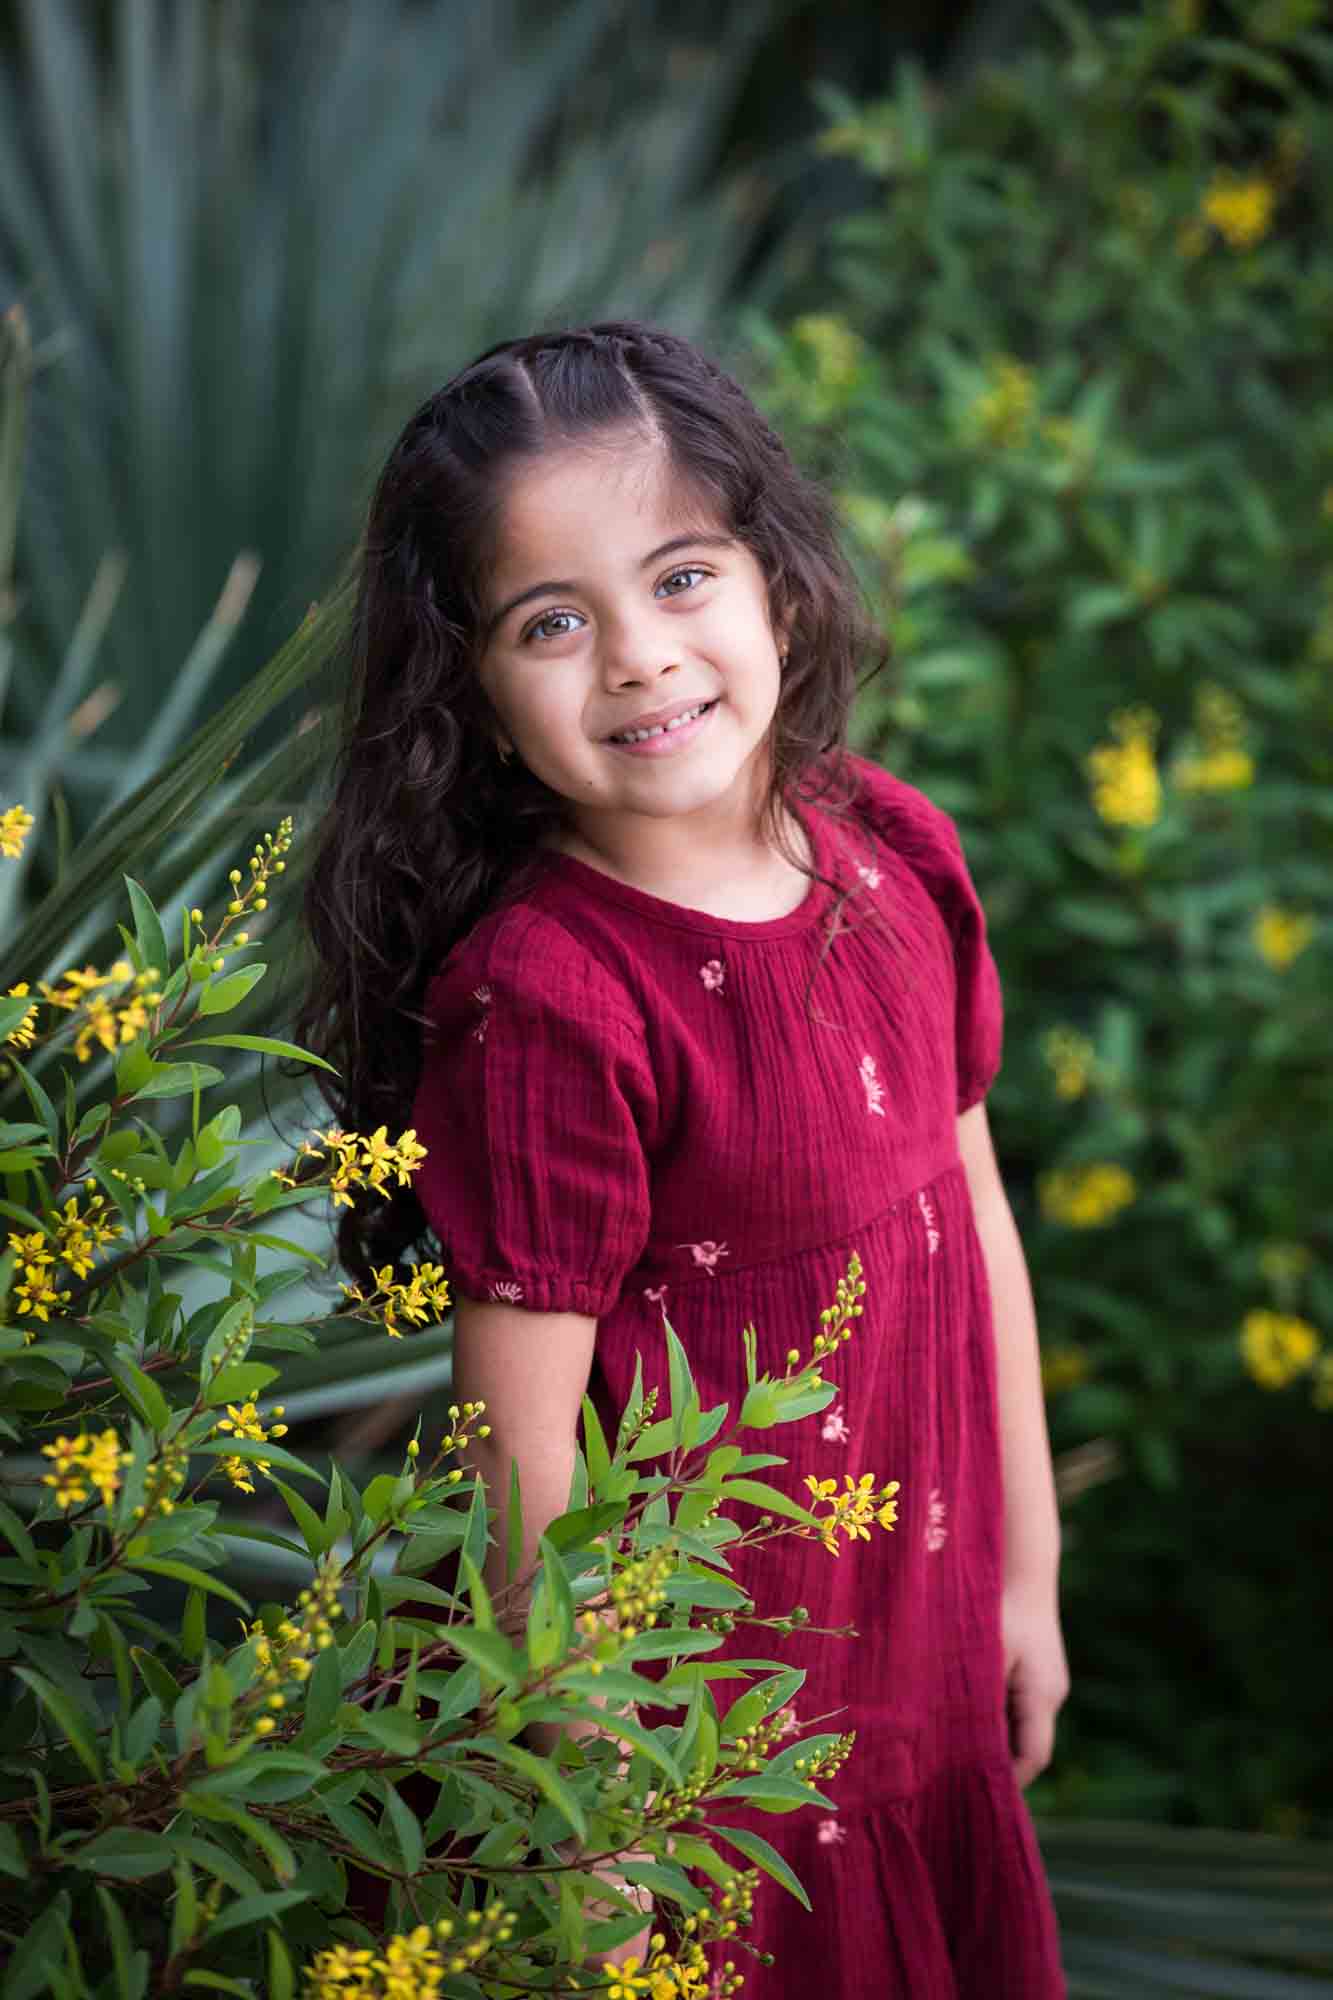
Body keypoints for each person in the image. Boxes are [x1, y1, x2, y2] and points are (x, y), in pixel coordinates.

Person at [299, 320, 1070, 1996]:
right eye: (551, 622)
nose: (638, 657)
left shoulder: (895, 847)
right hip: (693, 1761)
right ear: (478, 700)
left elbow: (974, 1220)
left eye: (679, 576)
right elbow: (523, 1477)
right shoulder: (548, 1002)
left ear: (776, 585)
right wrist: (596, 1811)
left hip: (917, 1657)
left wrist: (1030, 1569)